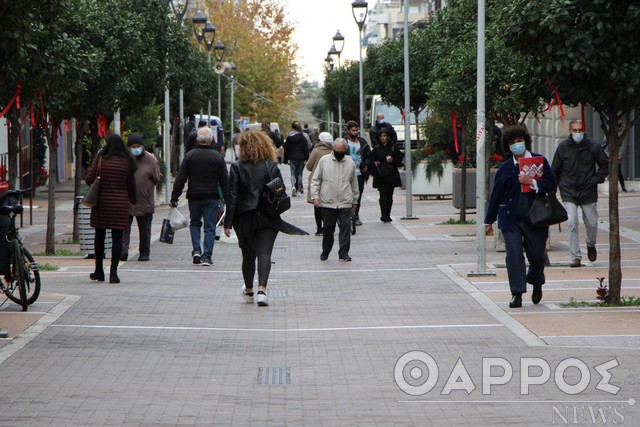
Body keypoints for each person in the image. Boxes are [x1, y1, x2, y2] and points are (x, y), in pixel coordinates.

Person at [223, 130, 308, 307]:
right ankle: (262, 290)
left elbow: (233, 197)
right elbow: (280, 191)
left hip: (245, 216)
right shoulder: (271, 166)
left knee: (248, 255)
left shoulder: (237, 167)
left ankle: (249, 291)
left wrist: (228, 223)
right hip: (268, 216)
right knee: (264, 253)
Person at [485, 125, 557, 308]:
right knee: (514, 255)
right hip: (511, 219)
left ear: (525, 141)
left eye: (519, 141)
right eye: (512, 143)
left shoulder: (539, 161)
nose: (517, 145)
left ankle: (537, 281)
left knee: (537, 256)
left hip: (536, 218)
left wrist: (532, 182)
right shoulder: (506, 168)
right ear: (507, 147)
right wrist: (488, 220)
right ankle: (517, 292)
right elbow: (496, 194)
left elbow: (551, 184)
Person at [552, 120, 609, 267]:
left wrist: (596, 179)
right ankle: (575, 256)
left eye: (580, 130)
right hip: (568, 189)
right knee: (571, 222)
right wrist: (552, 189)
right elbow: (555, 169)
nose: (578, 133)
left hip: (588, 189)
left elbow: (605, 164)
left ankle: (591, 244)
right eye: (575, 130)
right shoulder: (563, 147)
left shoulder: (593, 146)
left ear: (584, 130)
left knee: (592, 222)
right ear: (570, 131)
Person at [171, 127, 228, 266]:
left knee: (195, 223)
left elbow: (181, 178)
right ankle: (207, 256)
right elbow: (225, 181)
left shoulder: (190, 156)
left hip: (194, 196)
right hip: (211, 196)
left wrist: (175, 197)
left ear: (197, 140)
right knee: (210, 227)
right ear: (211, 140)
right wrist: (228, 198)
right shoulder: (218, 157)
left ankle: (196, 250)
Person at [85, 134, 137, 284]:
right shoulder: (127, 161)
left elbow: (89, 179)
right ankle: (114, 273)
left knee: (99, 237)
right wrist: (133, 201)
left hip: (101, 203)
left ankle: (99, 271)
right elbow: (131, 185)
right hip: (120, 204)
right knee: (117, 237)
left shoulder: (101, 159)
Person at [310, 138, 359, 262]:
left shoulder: (350, 162)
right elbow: (315, 180)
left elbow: (354, 183)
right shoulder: (324, 161)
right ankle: (326, 251)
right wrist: (315, 196)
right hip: (328, 202)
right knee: (328, 229)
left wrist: (355, 201)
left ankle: (343, 253)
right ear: (333, 149)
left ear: (345, 150)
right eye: (338, 150)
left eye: (342, 151)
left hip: (344, 201)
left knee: (345, 229)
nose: (340, 153)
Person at [121, 133, 161, 262]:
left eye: (138, 146)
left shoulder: (151, 160)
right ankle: (123, 252)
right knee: (123, 229)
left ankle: (144, 253)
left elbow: (156, 178)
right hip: (127, 200)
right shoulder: (125, 158)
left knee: (145, 230)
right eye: (133, 146)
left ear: (143, 146)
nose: (136, 148)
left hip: (144, 201)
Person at [370, 128, 403, 223]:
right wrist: (374, 163)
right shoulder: (376, 149)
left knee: (389, 196)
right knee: (383, 196)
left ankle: (388, 214)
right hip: (381, 175)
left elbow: (400, 159)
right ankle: (383, 214)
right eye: (381, 136)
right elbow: (371, 159)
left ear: (388, 137)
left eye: (384, 136)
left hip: (391, 175)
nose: (383, 138)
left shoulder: (393, 147)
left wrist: (393, 160)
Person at [306, 132, 334, 235]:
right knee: (328, 204)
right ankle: (328, 225)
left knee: (317, 204)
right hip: (330, 179)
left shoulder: (316, 151)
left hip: (316, 180)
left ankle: (319, 229)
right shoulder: (333, 151)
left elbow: (309, 166)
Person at [344, 121, 371, 226]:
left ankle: (355, 215)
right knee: (347, 196)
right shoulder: (343, 142)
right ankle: (346, 216)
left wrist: (366, 165)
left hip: (359, 174)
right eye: (353, 130)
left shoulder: (363, 143)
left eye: (356, 130)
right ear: (348, 131)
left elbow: (369, 156)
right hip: (346, 174)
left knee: (357, 196)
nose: (355, 132)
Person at [283, 121, 310, 197]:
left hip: (292, 157)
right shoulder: (302, 137)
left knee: (292, 173)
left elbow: (286, 149)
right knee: (300, 174)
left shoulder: (289, 137)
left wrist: (285, 159)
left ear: (292, 128)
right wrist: (307, 158)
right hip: (301, 157)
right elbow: (306, 149)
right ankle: (298, 190)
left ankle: (293, 187)